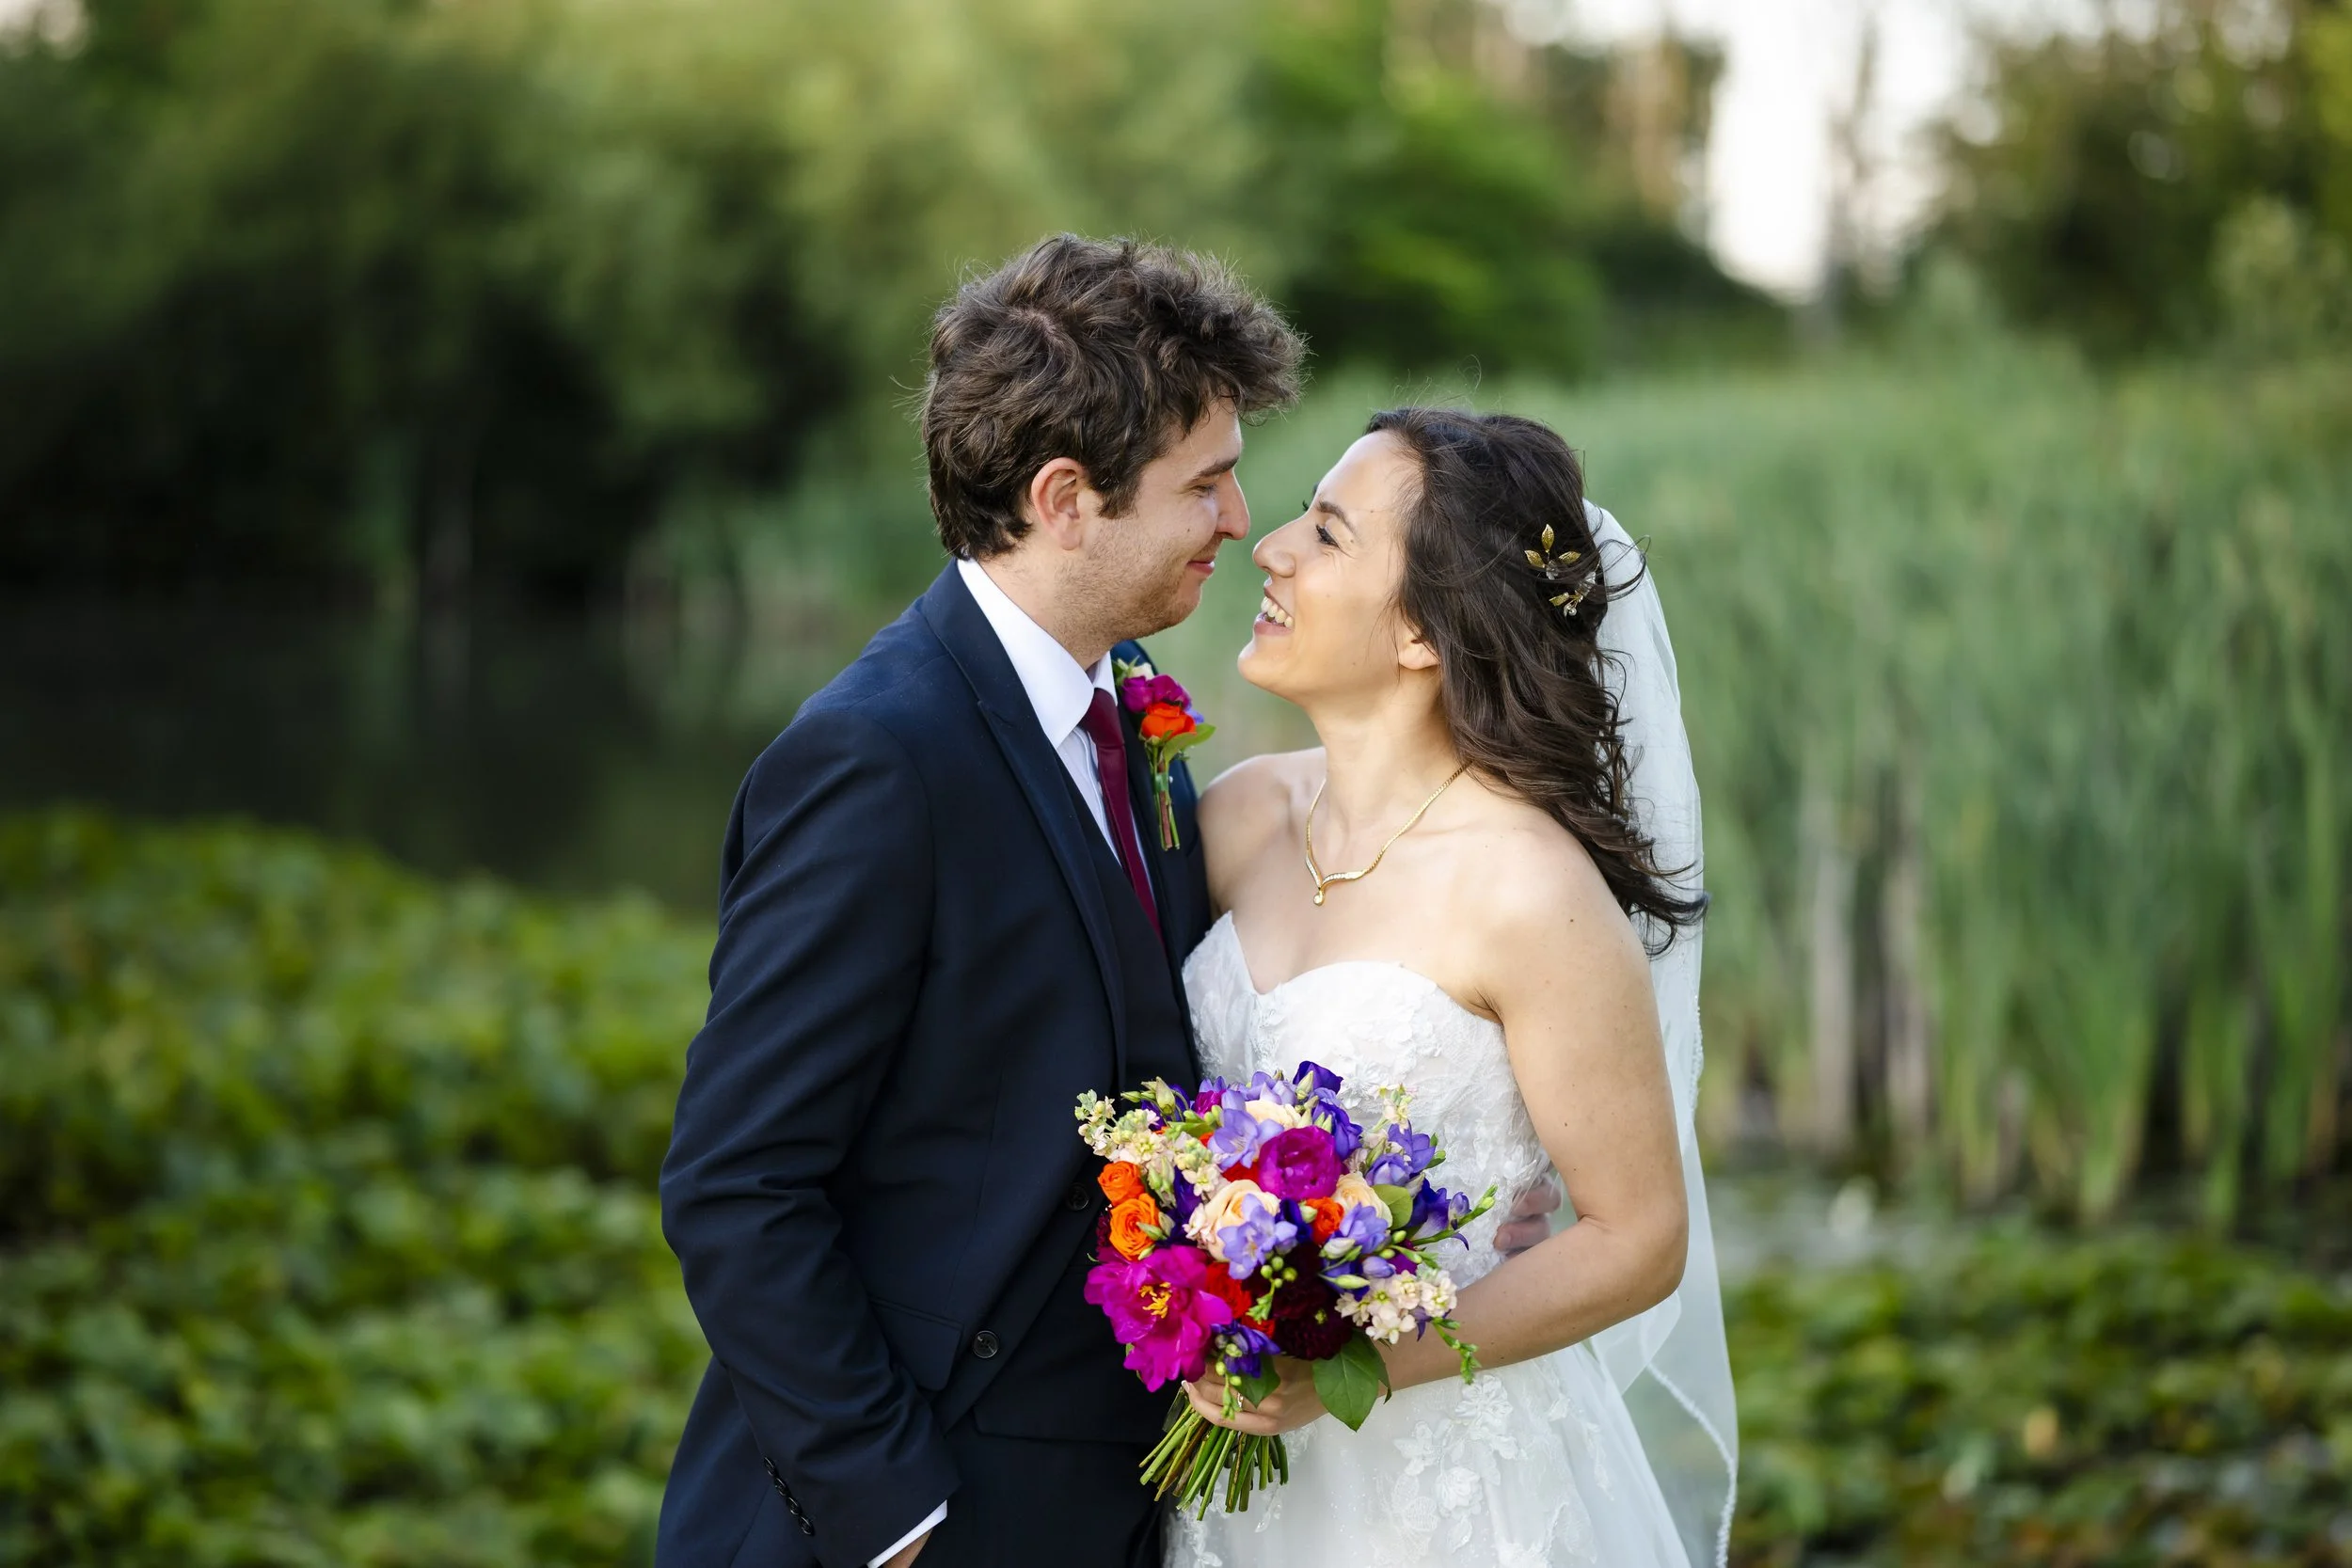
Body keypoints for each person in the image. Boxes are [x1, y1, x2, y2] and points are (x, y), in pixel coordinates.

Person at [654, 237, 1561, 1568]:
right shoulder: (875, 759)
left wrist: (1446, 1219)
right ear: (1067, 498)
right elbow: (735, 1178)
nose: (1242, 517)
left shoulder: (1123, 704)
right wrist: (894, 1517)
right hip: (911, 1513)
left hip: (1123, 1498)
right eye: (1205, 481)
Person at [1166, 409, 1737, 1568]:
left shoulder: (1529, 891)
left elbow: (1637, 1236)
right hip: (1227, 1474)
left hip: (1450, 1489)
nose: (1267, 546)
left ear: (1423, 629)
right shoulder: (1235, 816)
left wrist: (1347, 1369)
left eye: (1325, 535)